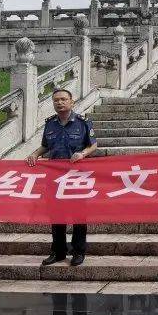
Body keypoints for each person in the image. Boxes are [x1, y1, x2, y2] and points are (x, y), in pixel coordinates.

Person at [27, 88, 97, 267]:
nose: (60, 103)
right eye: (56, 100)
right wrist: (35, 154)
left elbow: (93, 145)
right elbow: (44, 146)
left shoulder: (83, 122)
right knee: (56, 215)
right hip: (55, 177)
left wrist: (82, 153)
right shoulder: (50, 124)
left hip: (76, 177)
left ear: (71, 102)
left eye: (64, 99)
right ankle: (58, 251)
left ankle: (78, 251)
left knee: (78, 215)